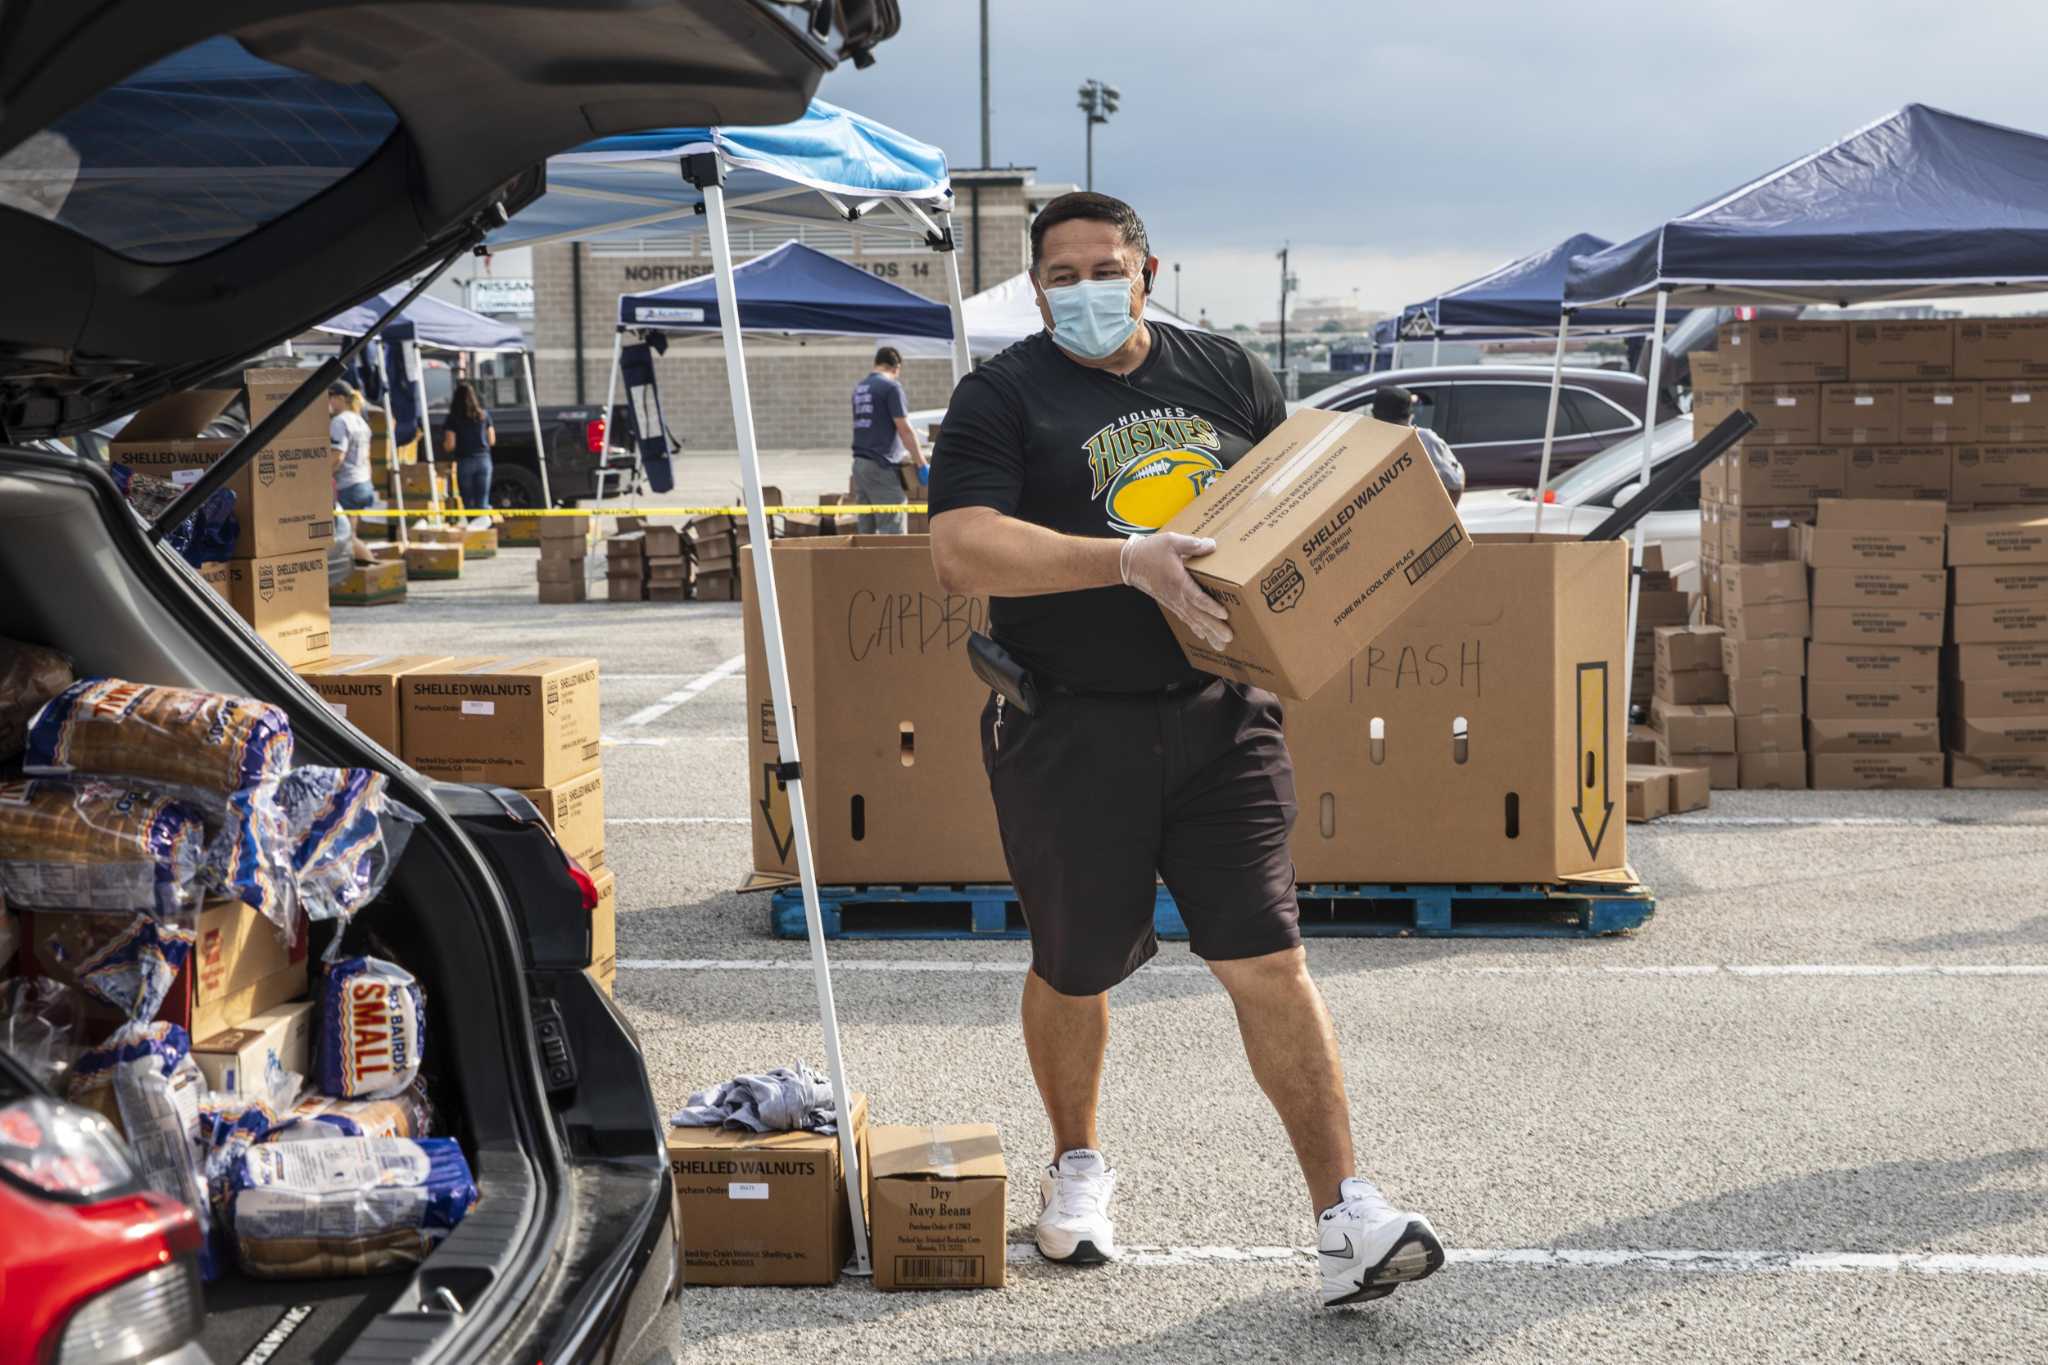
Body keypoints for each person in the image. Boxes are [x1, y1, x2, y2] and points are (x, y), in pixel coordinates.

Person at [927, 192, 1444, 1308]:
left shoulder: (1226, 374)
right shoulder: (1002, 395)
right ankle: (1077, 1168)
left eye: (1100, 267)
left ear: (1147, 270)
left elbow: (1296, 511)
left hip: (1221, 719)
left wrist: (1389, 491)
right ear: (1035, 289)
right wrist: (1124, 562)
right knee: (1075, 965)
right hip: (1067, 724)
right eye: (1058, 275)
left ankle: (1345, 1212)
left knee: (1268, 960)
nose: (1082, 290)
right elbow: (961, 550)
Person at [849, 346, 924, 534]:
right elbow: (904, 429)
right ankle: (892, 564)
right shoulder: (891, 387)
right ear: (896, 367)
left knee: (866, 530)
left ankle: (864, 564)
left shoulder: (861, 387)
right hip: (881, 465)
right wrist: (921, 463)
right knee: (893, 529)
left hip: (860, 464)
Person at [1370, 384, 1466, 506]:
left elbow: (1456, 483)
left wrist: (1444, 519)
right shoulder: (1425, 439)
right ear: (1409, 415)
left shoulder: (1424, 440)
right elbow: (1456, 482)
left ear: (1375, 417)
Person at [327, 382, 378, 565]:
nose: (328, 404)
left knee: (345, 535)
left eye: (329, 398)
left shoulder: (340, 422)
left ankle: (369, 564)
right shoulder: (360, 420)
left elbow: (337, 456)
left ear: (339, 398)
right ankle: (359, 568)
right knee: (351, 532)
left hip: (348, 484)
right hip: (363, 482)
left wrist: (320, 479)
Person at [442, 380, 496, 531]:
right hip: (484, 461)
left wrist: (444, 446)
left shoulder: (453, 418)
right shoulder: (484, 415)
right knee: (482, 501)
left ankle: (475, 533)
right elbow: (492, 440)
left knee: (469, 502)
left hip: (465, 461)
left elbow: (450, 444)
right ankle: (484, 534)